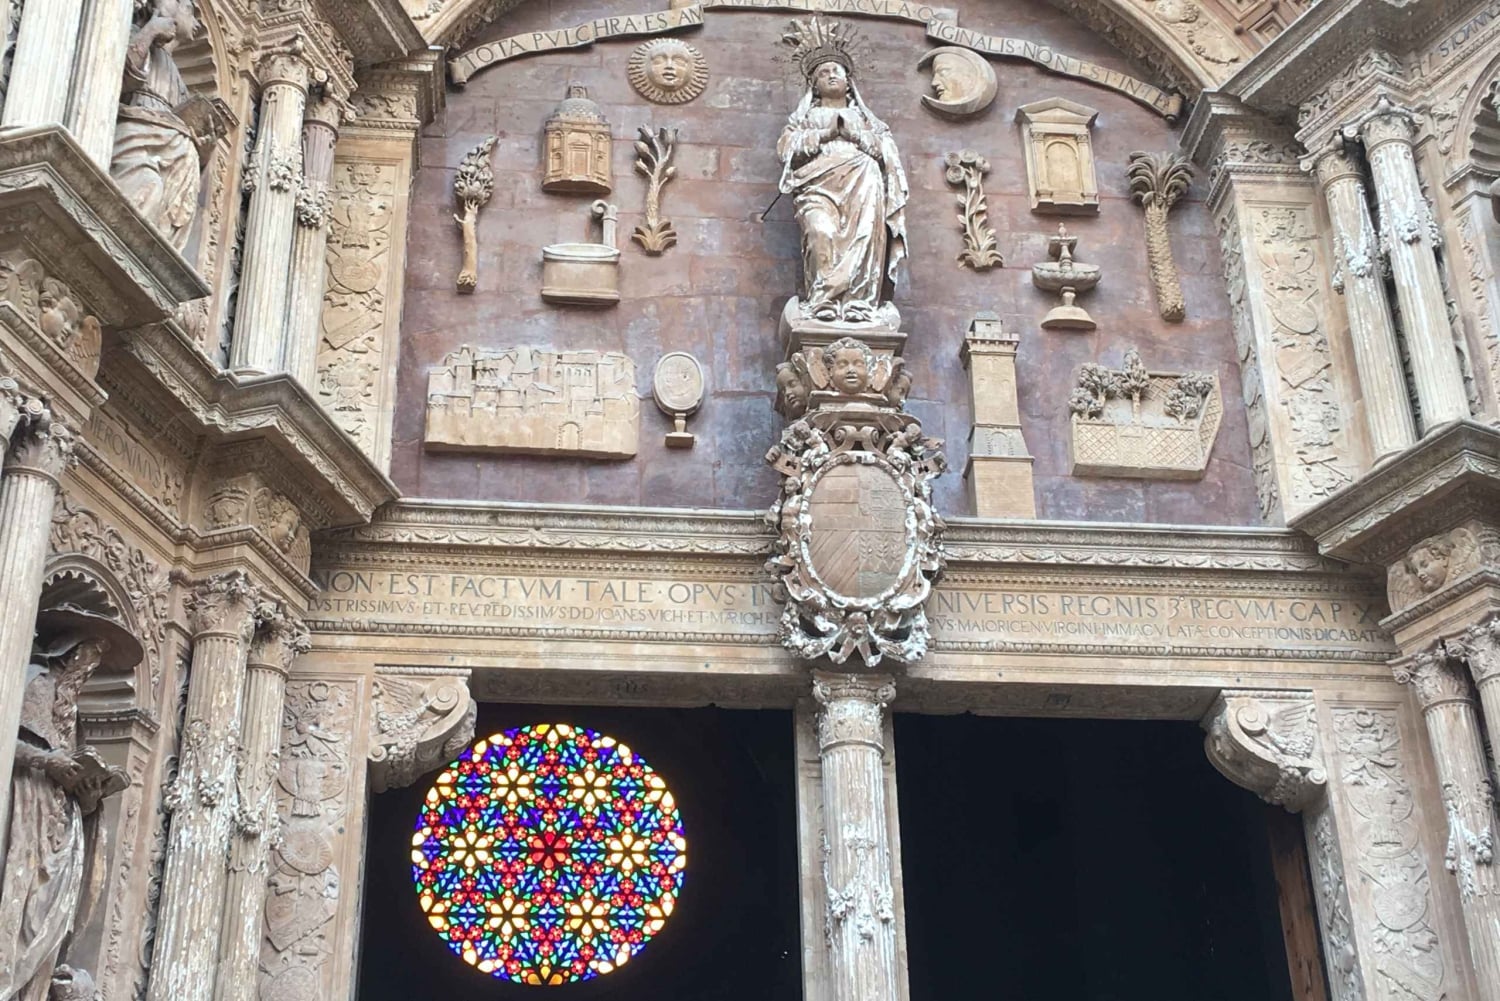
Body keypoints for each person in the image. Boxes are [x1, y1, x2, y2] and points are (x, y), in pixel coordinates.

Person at [0, 608, 137, 1001]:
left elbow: (74, 773)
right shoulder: (35, 686)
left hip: (62, 825)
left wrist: (91, 792)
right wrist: (48, 761)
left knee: (51, 920)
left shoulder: (71, 712)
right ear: (66, 653)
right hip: (28, 811)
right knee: (22, 907)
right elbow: (8, 738)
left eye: (95, 664)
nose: (88, 670)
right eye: (87, 658)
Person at [776, 31, 908, 324]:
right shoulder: (804, 118)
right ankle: (823, 298)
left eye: (837, 70)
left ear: (849, 82)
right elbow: (787, 149)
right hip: (817, 186)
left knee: (864, 238)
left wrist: (855, 135)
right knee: (820, 232)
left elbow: (888, 152)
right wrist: (824, 134)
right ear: (814, 84)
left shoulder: (867, 120)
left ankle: (858, 303)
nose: (831, 75)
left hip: (864, 183)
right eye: (823, 73)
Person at [111, 0, 219, 252]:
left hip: (172, 161)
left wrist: (202, 151)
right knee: (148, 186)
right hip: (138, 143)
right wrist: (150, 31)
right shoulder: (134, 35)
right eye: (189, 10)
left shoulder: (179, 79)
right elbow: (118, 76)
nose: (198, 22)